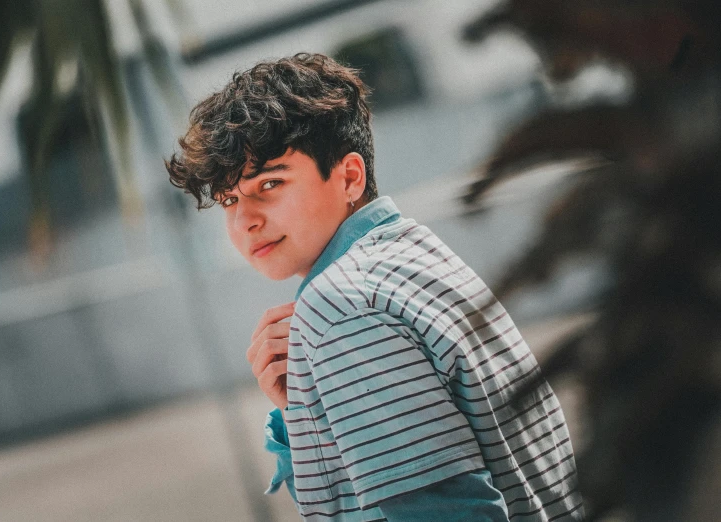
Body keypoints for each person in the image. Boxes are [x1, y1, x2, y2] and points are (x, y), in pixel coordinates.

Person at [166, 53, 584, 521]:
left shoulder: (341, 306)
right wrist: (307, 404)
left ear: (348, 177)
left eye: (269, 184)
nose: (245, 221)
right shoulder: (410, 252)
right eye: (227, 201)